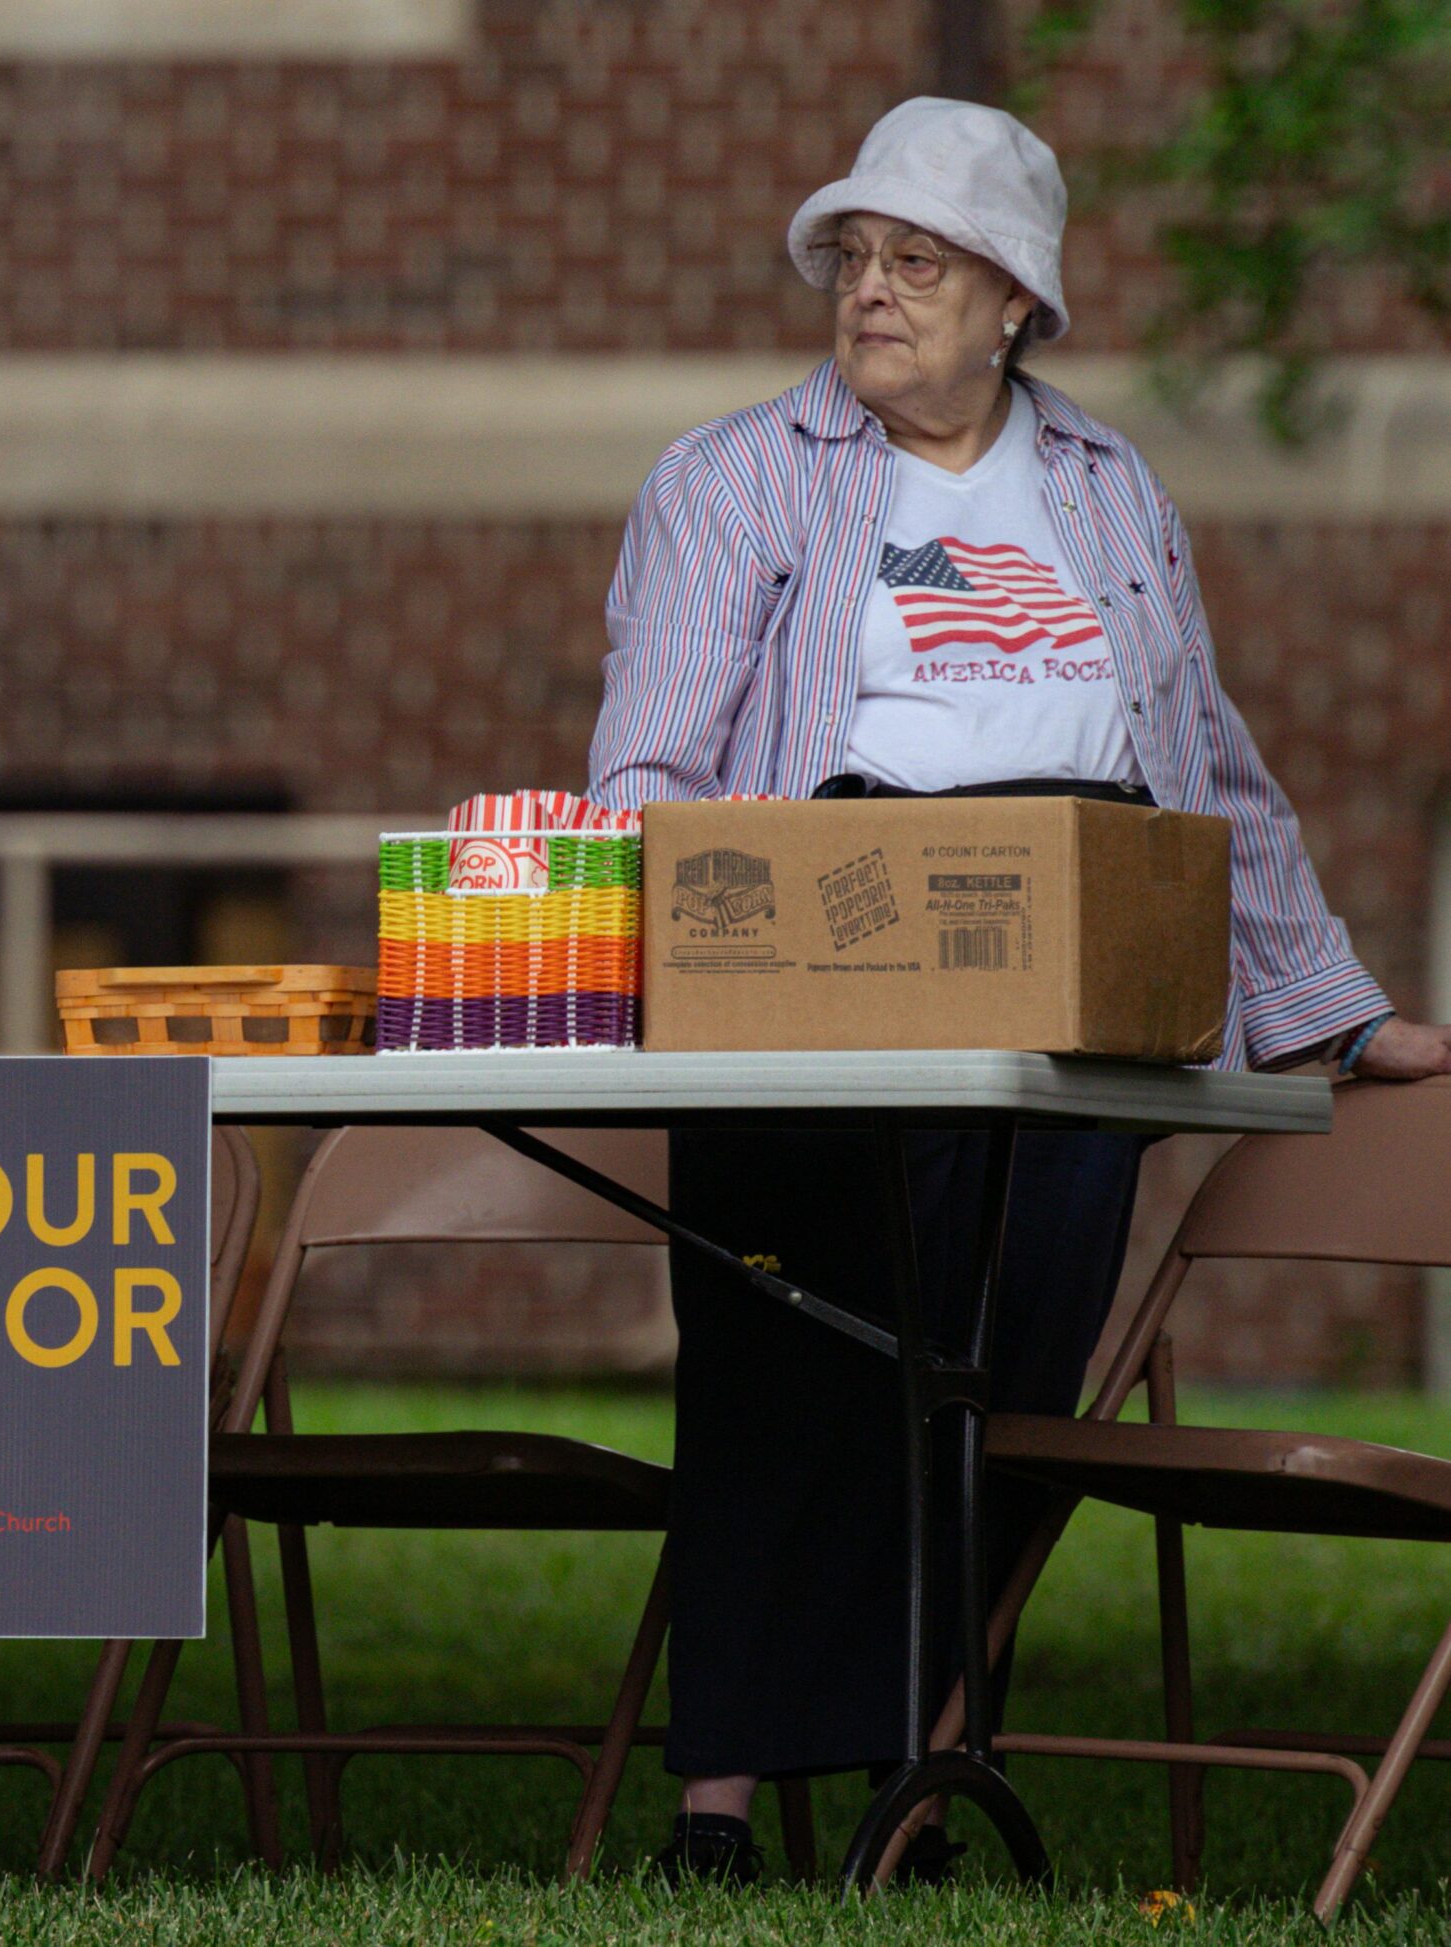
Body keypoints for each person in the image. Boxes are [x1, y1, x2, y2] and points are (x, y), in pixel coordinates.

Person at [589, 96, 1451, 1885]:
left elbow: (1204, 765)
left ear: (1016, 308)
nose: (873, 292)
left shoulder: (1108, 490)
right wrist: (685, 963)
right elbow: (650, 773)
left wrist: (1334, 1010)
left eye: (921, 262)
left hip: (1068, 997)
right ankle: (721, 1806)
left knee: (1005, 1384)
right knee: (782, 1372)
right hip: (813, 981)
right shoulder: (735, 478)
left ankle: (928, 1757)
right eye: (855, 258)